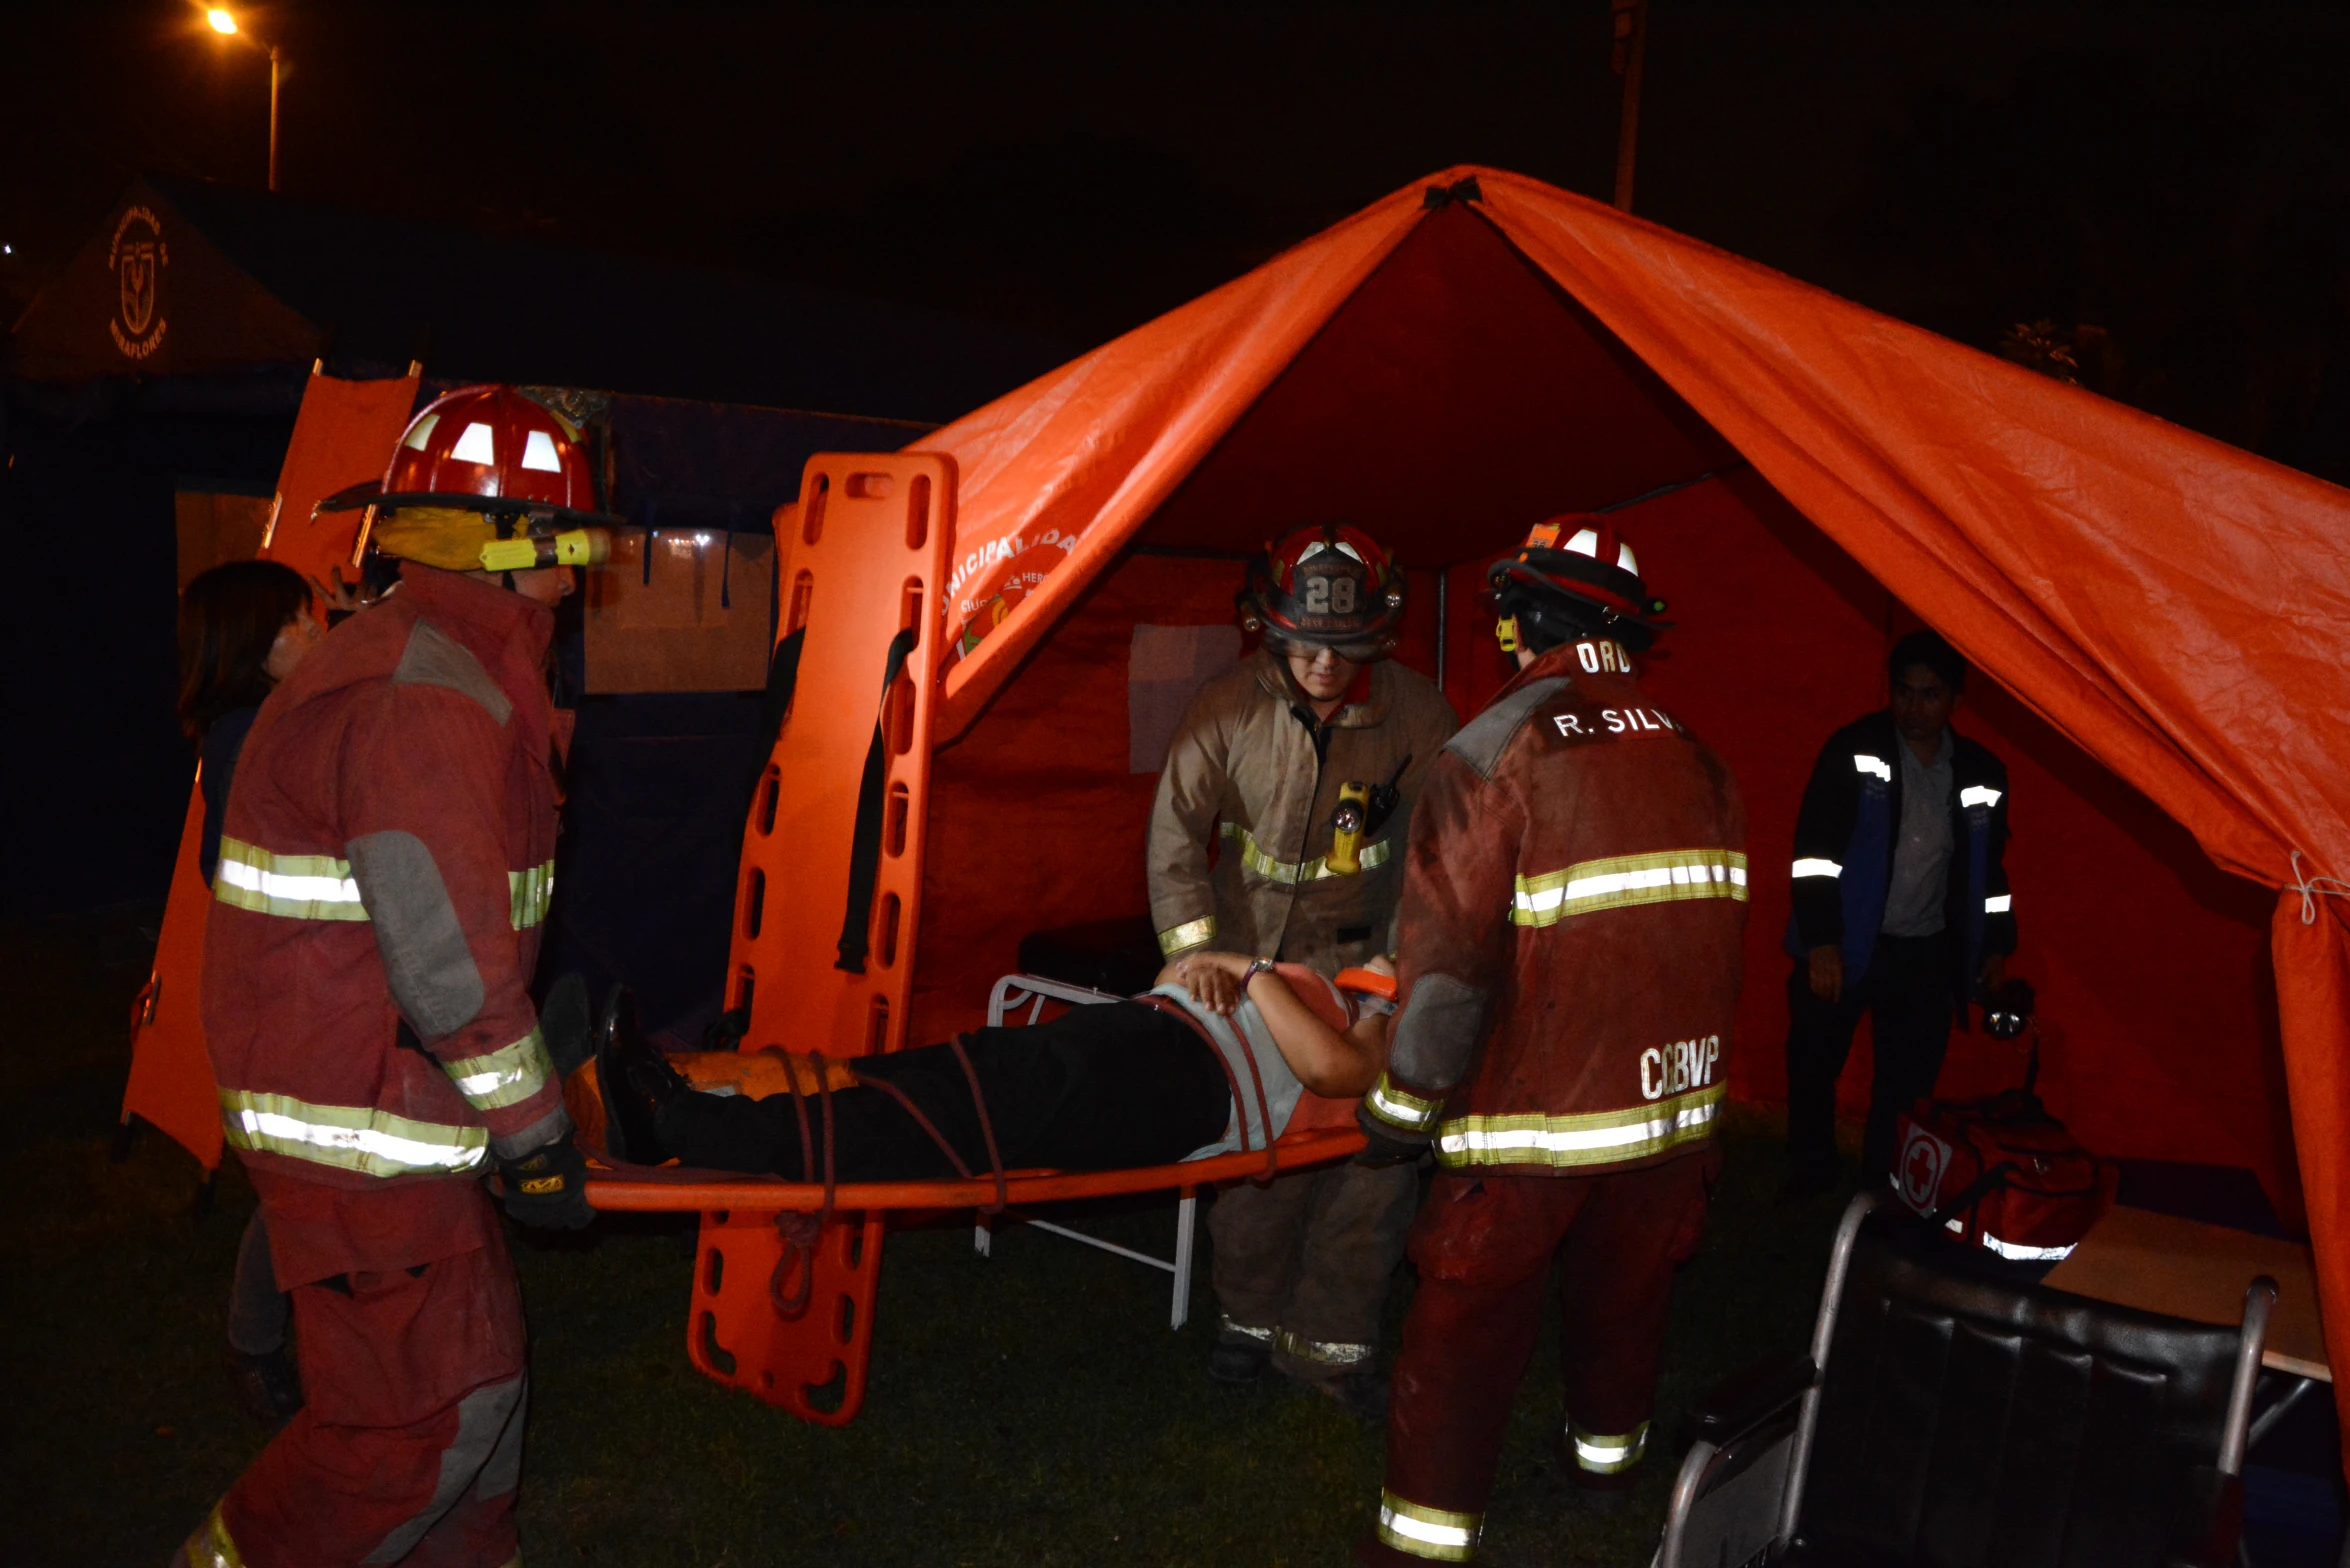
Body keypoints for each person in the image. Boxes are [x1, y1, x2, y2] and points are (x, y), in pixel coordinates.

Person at [176, 385, 614, 1568]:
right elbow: (447, 960)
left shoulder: (445, 664)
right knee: (426, 1424)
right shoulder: (427, 698)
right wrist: (533, 1137)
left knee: (486, 1404)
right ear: (499, 547)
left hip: (383, 1105)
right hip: (360, 1125)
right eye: (563, 548)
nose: (575, 581)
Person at [1353, 514, 1748, 1562]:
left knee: (1465, 1324)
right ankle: (1604, 1469)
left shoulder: (1491, 753)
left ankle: (1420, 1540)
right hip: (1670, 1111)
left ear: (1520, 622)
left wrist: (1398, 1106)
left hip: (1535, 1120)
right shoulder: (1700, 758)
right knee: (1626, 1294)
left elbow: (1448, 967)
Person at [1147, 524, 1456, 1417]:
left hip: (1367, 971)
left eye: (1347, 644)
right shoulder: (1225, 707)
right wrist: (1193, 954)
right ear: (1271, 628)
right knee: (1260, 1155)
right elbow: (1174, 836)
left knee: (1372, 1156)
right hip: (1248, 968)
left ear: (1380, 636)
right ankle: (1246, 1324)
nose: (1325, 660)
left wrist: (1401, 961)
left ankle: (1329, 1347)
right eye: (1307, 641)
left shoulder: (1421, 717)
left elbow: (1439, 850)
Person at [595, 953, 1394, 1181]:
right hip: (1152, 1038)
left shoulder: (1388, 1021)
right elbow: (1184, 970)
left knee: (951, 1118)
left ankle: (678, 1124)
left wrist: (1251, 973)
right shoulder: (1336, 984)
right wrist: (1209, 965)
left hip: (1187, 1085)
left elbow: (1331, 1072)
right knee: (944, 1079)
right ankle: (700, 1106)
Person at [1781, 628, 2017, 1200]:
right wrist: (1821, 942)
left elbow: (1988, 871)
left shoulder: (1983, 773)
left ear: (1957, 701)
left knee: (1907, 1087)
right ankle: (1810, 1178)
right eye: (1903, 692)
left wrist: (1994, 943)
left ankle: (1883, 1193)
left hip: (1924, 955)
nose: (1913, 708)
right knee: (1813, 1066)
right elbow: (1812, 855)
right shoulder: (1852, 749)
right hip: (1847, 942)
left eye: (1929, 694)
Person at [176, 560, 328, 1425]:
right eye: (298, 623)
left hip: (296, 984)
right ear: (251, 644)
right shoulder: (249, 738)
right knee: (297, 1181)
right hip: (281, 993)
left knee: (311, 1174)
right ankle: (255, 1343)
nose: (316, 633)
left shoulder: (265, 723)